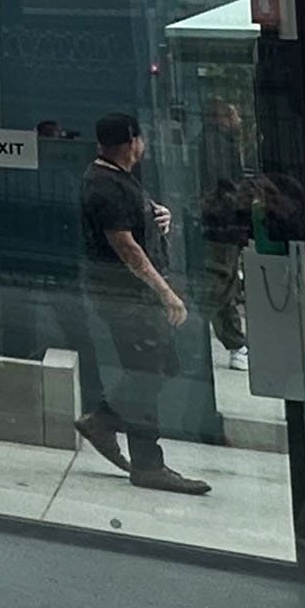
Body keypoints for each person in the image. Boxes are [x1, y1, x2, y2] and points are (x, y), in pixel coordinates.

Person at [74, 113, 208, 495]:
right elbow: (126, 248)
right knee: (145, 372)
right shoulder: (103, 186)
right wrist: (166, 292)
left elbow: (134, 223)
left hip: (133, 296)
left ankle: (103, 419)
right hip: (125, 297)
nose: (144, 145)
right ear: (130, 141)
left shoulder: (119, 179)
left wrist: (155, 215)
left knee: (160, 364)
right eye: (141, 139)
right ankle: (148, 462)